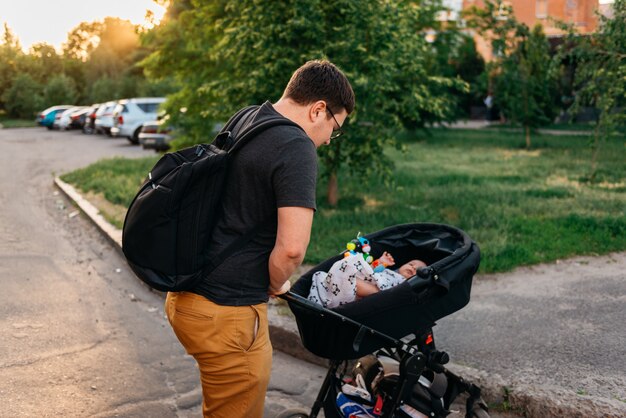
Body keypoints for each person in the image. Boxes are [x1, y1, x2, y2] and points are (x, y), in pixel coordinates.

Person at [164, 60, 355, 418]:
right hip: (227, 313)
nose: (330, 138)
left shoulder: (248, 117)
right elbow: (293, 248)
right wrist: (275, 281)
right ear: (318, 110)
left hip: (187, 296)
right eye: (335, 127)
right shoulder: (297, 147)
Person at [308, 251, 427, 309]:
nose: (413, 267)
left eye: (418, 270)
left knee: (350, 271)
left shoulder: (404, 284)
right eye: (411, 264)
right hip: (345, 290)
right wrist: (381, 263)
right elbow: (370, 273)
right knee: (323, 274)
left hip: (376, 293)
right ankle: (338, 285)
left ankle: (347, 281)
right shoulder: (389, 272)